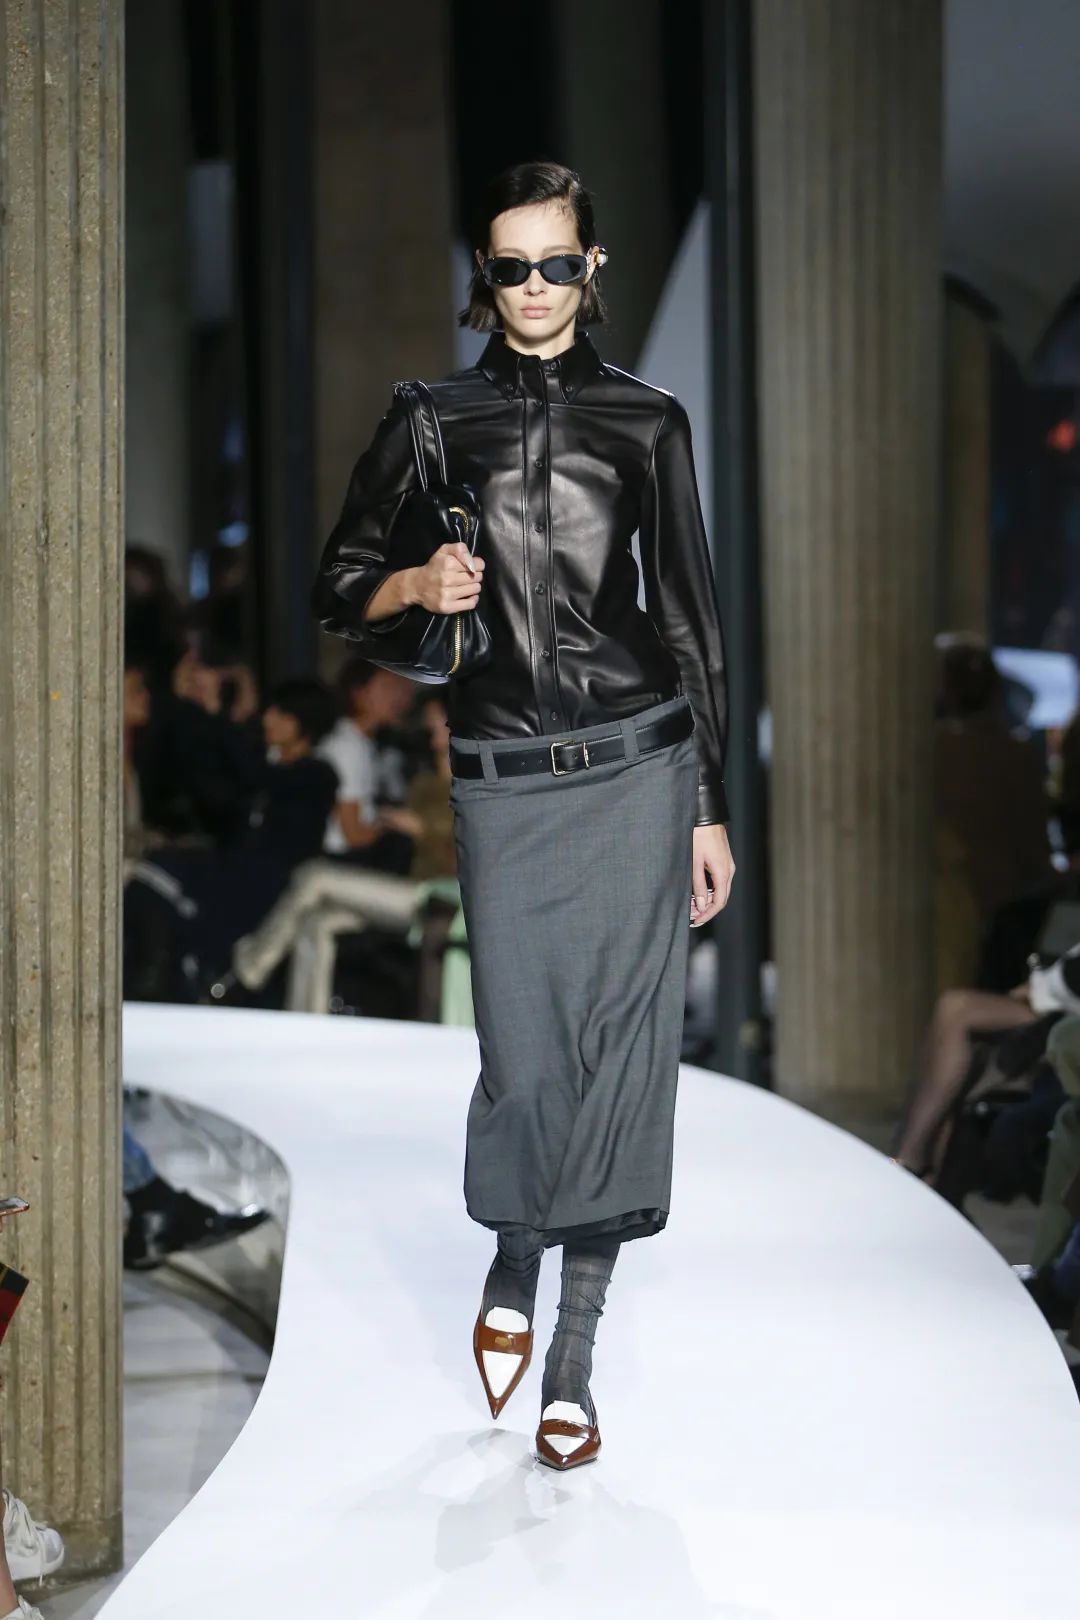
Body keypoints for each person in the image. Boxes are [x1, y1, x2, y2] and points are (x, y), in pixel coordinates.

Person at [313, 160, 735, 1469]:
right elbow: (336, 584)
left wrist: (708, 804)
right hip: (502, 776)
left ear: (590, 268)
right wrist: (415, 585)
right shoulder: (432, 418)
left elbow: (689, 622)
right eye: (512, 267)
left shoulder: (648, 422)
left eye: (558, 263)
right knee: (524, 1054)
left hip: (642, 763)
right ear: (485, 279)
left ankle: (574, 1359)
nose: (536, 287)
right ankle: (512, 1249)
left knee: (622, 1058)